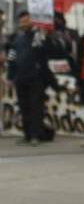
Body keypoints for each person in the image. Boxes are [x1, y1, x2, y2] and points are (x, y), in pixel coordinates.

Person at [5, 11, 50, 145]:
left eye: (26, 21)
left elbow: (44, 53)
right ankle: (27, 134)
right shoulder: (17, 39)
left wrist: (43, 38)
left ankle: (35, 135)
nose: (24, 24)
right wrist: (10, 76)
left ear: (31, 21)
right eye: (22, 21)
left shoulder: (38, 36)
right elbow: (12, 56)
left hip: (35, 78)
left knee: (36, 107)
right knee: (24, 107)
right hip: (20, 78)